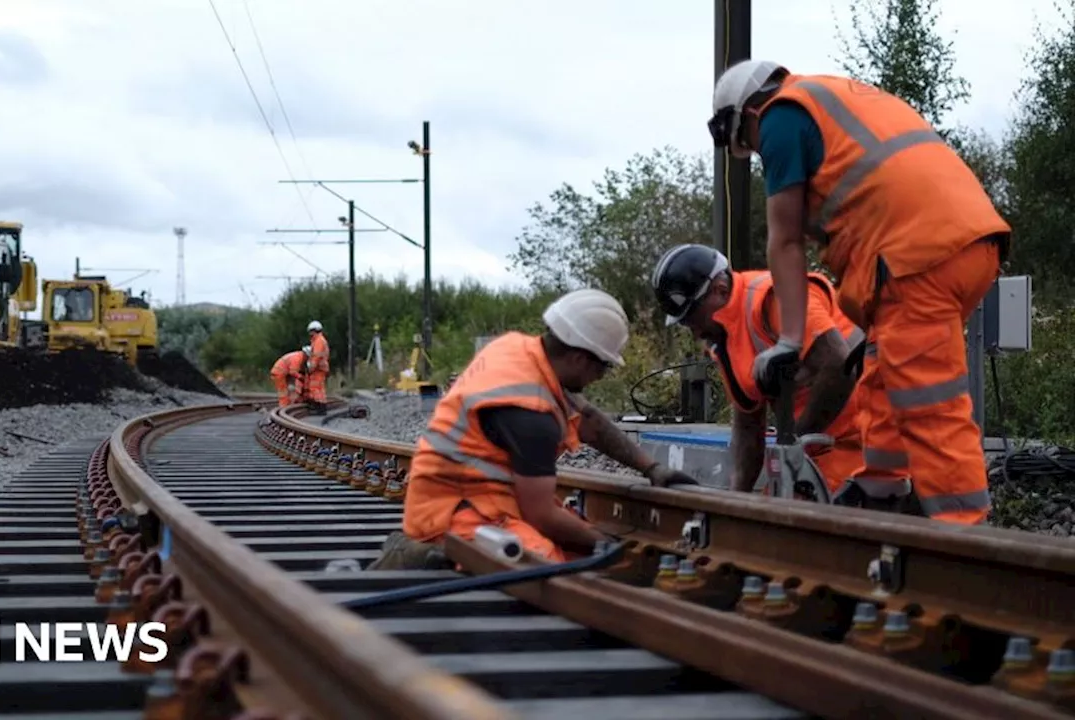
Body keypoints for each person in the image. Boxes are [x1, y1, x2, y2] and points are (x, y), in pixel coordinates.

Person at [707, 60, 1010, 525]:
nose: (758, 151)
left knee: (932, 408)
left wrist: (789, 341)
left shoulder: (780, 116)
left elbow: (784, 239)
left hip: (915, 259)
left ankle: (967, 540)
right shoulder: (832, 97)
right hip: (965, 245)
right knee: (883, 376)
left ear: (747, 113)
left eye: (747, 144)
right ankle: (881, 492)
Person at [395, 288, 699, 565]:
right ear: (580, 359)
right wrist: (609, 545)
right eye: (604, 365)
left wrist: (652, 469)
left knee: (577, 550)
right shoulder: (531, 414)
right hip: (450, 512)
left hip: (481, 497)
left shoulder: (517, 350)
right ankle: (422, 555)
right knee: (547, 565)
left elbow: (589, 420)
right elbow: (541, 516)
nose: (602, 376)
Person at [651, 244, 909, 502]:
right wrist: (735, 503)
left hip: (868, 440)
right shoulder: (724, 341)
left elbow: (838, 365)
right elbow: (749, 425)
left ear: (720, 289)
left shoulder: (773, 297)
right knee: (768, 522)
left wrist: (793, 445)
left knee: (798, 528)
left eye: (693, 317)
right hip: (818, 450)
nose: (694, 332)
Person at [305, 320, 330, 415]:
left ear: (313, 330)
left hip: (318, 368)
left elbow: (316, 356)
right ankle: (321, 407)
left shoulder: (318, 341)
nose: (309, 334)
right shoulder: (319, 340)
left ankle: (320, 408)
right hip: (321, 368)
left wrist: (311, 367)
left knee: (315, 388)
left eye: (310, 331)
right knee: (320, 388)